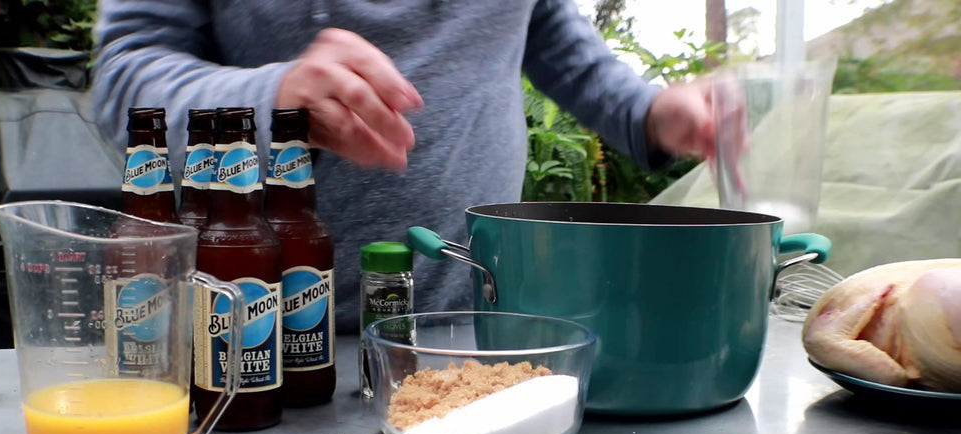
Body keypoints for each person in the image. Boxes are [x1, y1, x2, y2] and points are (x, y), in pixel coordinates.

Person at [92, 0, 715, 334]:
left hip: (474, 326)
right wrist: (271, 102)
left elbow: (556, 42)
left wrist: (651, 111)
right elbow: (125, 78)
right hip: (252, 336)